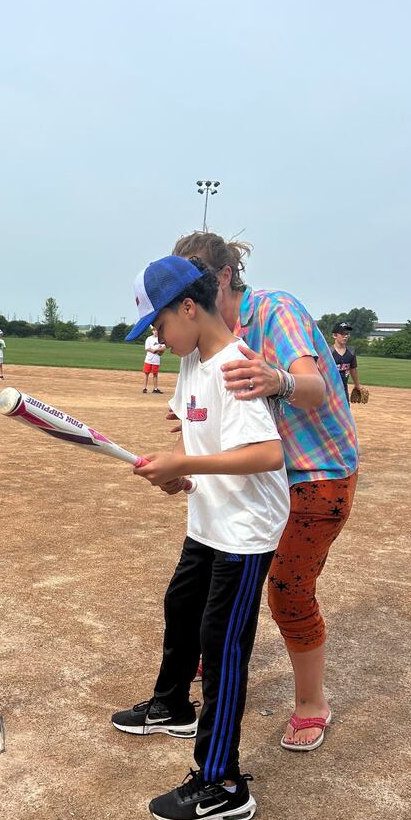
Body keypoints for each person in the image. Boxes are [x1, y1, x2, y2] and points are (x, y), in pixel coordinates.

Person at [112, 256, 290, 820]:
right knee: (180, 607)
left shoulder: (233, 365)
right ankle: (172, 705)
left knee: (223, 646)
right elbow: (201, 437)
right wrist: (181, 475)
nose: (158, 340)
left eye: (159, 325)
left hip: (245, 530)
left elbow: (266, 454)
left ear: (188, 307)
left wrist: (186, 461)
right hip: (209, 517)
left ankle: (222, 783)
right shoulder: (193, 361)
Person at [169, 231, 359, 752]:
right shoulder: (208, 337)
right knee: (220, 568)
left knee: (288, 591)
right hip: (263, 476)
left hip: (316, 472)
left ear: (224, 276)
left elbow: (319, 390)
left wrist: (276, 379)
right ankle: (222, 654)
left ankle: (311, 703)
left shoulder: (274, 310)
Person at [330, 322, 362, 404]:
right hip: (329, 391)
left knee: (345, 414)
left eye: (347, 334)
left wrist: (357, 385)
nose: (345, 336)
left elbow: (353, 369)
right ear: (334, 335)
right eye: (342, 334)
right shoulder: (328, 351)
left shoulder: (351, 352)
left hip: (344, 390)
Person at [142, 325, 165, 393]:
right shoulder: (149, 338)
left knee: (155, 374)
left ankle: (155, 389)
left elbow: (163, 348)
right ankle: (144, 388)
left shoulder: (161, 339)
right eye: (154, 330)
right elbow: (147, 348)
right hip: (148, 359)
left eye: (157, 330)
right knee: (146, 373)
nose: (156, 332)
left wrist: (157, 349)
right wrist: (156, 350)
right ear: (152, 331)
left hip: (156, 360)